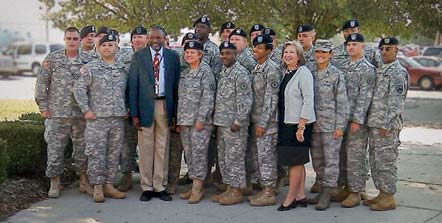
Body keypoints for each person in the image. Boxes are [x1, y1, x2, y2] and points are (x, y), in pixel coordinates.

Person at [35, 26, 94, 198]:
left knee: (82, 149)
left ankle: (84, 180)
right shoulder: (53, 59)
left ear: (80, 40)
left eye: (75, 39)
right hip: (57, 113)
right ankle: (55, 183)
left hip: (80, 113)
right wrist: (43, 107)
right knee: (55, 148)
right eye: (69, 38)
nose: (72, 42)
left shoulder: (87, 60)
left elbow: (93, 86)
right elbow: (41, 83)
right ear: (64, 39)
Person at [128, 25, 180, 202]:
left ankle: (160, 186)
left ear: (165, 39)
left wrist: (175, 113)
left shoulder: (173, 57)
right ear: (148, 39)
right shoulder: (138, 57)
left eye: (159, 38)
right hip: (145, 107)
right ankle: (147, 186)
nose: (155, 41)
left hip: (165, 105)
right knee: (146, 147)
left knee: (162, 146)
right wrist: (134, 113)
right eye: (152, 38)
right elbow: (132, 86)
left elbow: (175, 87)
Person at [74, 33, 127, 203]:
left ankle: (109, 185)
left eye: (110, 45)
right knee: (96, 152)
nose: (107, 48)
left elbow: (128, 91)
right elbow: (79, 89)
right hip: (97, 119)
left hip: (117, 118)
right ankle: (97, 186)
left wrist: (127, 108)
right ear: (98, 47)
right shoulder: (90, 67)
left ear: (116, 47)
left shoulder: (122, 68)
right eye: (104, 45)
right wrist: (86, 110)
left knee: (113, 153)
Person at [365, 37, 408, 211]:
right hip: (375, 124)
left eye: (388, 49)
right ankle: (382, 193)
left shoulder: (398, 72)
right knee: (376, 160)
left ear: (396, 50)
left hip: (386, 127)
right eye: (382, 49)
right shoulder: (381, 71)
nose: (384, 51)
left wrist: (386, 124)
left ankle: (389, 197)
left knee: (386, 161)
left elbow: (397, 102)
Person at [308, 39, 350, 211]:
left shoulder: (336, 75)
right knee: (317, 160)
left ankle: (328, 192)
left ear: (330, 55)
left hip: (330, 126)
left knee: (331, 161)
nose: (320, 55)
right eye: (318, 52)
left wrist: (340, 126)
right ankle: (321, 187)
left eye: (324, 53)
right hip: (314, 125)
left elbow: (343, 103)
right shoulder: (309, 72)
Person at [211, 41, 253, 205]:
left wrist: (239, 120)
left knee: (235, 158)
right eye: (222, 53)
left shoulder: (240, 73)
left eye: (228, 53)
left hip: (235, 125)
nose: (224, 56)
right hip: (222, 123)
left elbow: (245, 100)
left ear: (235, 54)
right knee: (225, 158)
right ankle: (229, 187)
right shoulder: (223, 72)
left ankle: (237, 191)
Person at [276, 41, 315, 211]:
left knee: (295, 162)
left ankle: (290, 197)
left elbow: (308, 99)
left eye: (292, 52)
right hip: (287, 122)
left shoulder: (303, 72)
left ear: (299, 56)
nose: (288, 55)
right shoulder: (287, 72)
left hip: (299, 124)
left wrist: (301, 126)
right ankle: (300, 195)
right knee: (297, 161)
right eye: (286, 52)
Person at [176, 40, 216, 204]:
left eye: (193, 52)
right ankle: (194, 185)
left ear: (200, 54)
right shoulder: (185, 73)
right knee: (190, 154)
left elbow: (208, 98)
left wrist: (202, 119)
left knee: (199, 155)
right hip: (186, 120)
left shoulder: (205, 72)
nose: (189, 54)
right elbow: (182, 98)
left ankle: (198, 188)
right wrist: (179, 120)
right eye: (187, 52)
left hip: (200, 122)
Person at [340, 33, 376, 208]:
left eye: (355, 44)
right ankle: (347, 187)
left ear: (363, 47)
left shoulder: (367, 69)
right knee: (344, 155)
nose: (351, 47)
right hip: (342, 118)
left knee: (356, 156)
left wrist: (357, 120)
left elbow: (365, 97)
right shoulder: (344, 66)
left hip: (356, 121)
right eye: (349, 44)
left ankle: (356, 191)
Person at [247, 34, 282, 206]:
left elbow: (271, 99)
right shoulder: (257, 68)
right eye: (255, 47)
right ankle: (265, 188)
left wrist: (263, 122)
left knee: (266, 156)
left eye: (260, 48)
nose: (256, 50)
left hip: (267, 122)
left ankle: (269, 191)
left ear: (268, 50)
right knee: (259, 155)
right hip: (256, 119)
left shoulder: (272, 69)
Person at [167, 32, 199, 194]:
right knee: (173, 151)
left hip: (193, 118)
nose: (189, 50)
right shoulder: (177, 67)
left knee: (194, 153)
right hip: (176, 114)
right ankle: (171, 182)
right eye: (187, 45)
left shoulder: (200, 70)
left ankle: (196, 185)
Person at [117, 25, 148, 192]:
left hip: (147, 108)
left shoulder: (152, 56)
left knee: (147, 146)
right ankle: (126, 176)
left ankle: (147, 178)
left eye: (141, 36)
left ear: (147, 39)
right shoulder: (123, 57)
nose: (137, 39)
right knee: (127, 145)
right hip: (127, 108)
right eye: (135, 37)